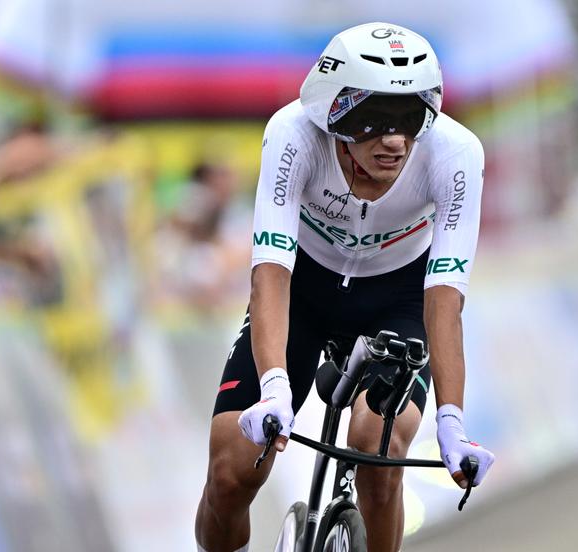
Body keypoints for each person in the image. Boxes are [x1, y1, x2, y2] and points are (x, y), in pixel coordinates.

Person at [195, 22, 495, 552]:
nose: (396, 140)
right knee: (230, 473)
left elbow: (444, 303)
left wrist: (452, 421)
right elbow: (270, 273)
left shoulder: (455, 154)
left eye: (409, 118)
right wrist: (272, 389)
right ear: (333, 113)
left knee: (377, 450)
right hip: (303, 291)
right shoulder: (293, 134)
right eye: (375, 121)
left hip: (398, 299)